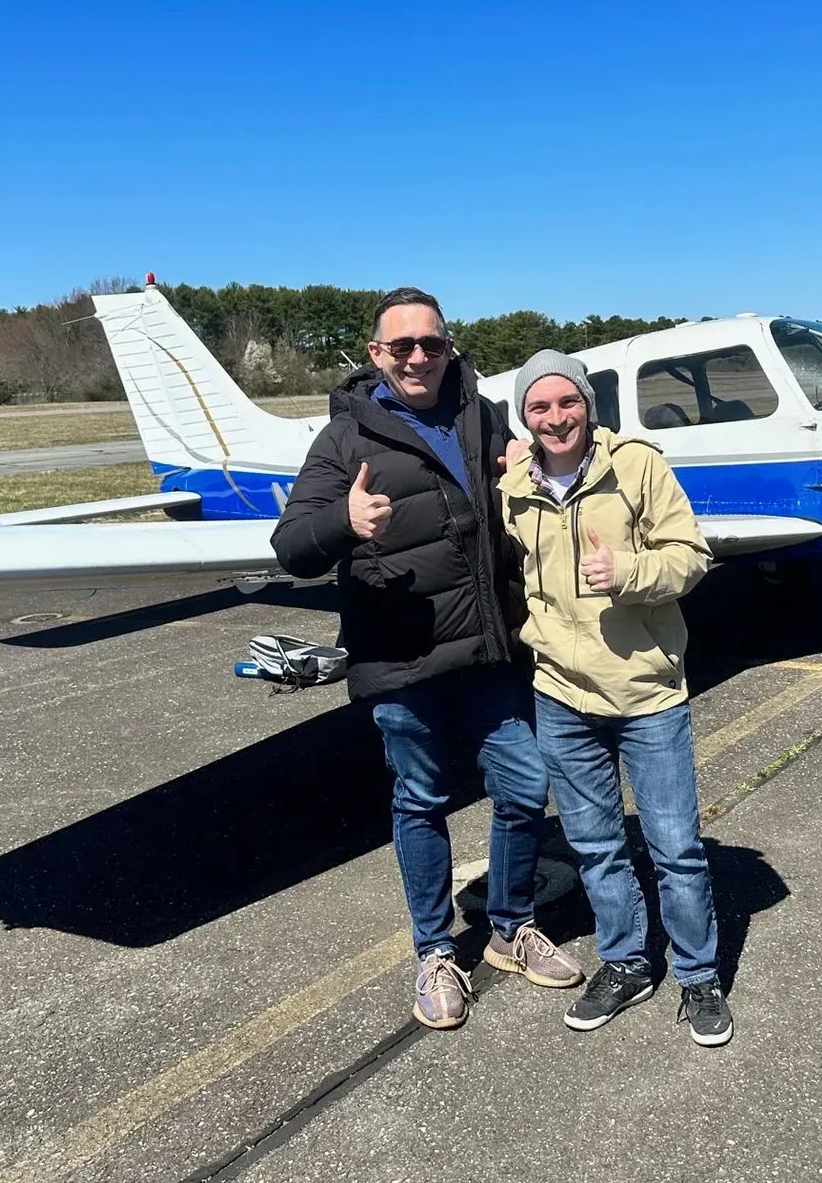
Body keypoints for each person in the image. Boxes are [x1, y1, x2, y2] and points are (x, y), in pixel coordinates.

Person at [271, 288, 581, 1030]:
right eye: (401, 346)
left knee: (522, 783)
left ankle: (509, 927)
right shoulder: (343, 440)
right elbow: (290, 547)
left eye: (431, 344)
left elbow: (521, 482)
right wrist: (342, 525)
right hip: (401, 657)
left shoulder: (481, 415)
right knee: (421, 800)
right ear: (375, 355)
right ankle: (436, 952)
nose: (417, 357)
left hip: (486, 647)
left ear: (450, 349)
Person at [498, 350, 733, 1047]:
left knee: (675, 848)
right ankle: (628, 962)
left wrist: (627, 571)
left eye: (566, 402)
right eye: (538, 408)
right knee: (596, 846)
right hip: (561, 696)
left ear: (586, 404)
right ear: (525, 418)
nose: (555, 417)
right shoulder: (514, 484)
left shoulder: (637, 466)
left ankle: (698, 976)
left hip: (646, 694)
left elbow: (690, 556)